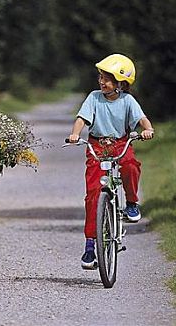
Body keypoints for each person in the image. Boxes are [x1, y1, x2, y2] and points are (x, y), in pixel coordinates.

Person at [67, 53, 154, 270]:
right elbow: (82, 119)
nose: (101, 82)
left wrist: (148, 129)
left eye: (107, 79)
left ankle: (132, 203)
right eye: (101, 77)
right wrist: (75, 134)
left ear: (120, 83)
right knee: (93, 194)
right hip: (97, 145)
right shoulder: (94, 97)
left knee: (131, 166)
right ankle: (90, 245)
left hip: (120, 143)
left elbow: (142, 119)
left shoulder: (128, 101)